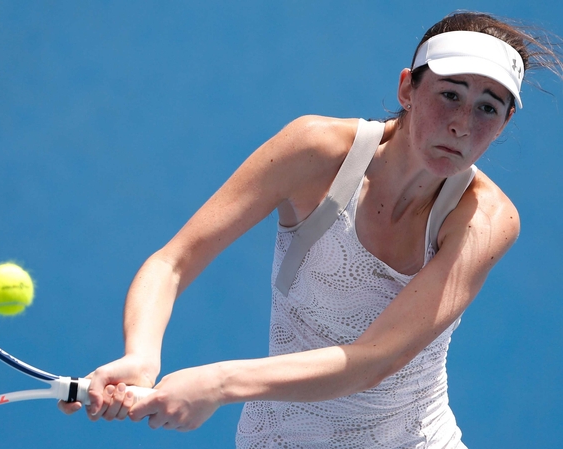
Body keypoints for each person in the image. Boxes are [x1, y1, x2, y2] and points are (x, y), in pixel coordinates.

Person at [59, 11, 563, 448]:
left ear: (504, 123)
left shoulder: (487, 218)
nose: (460, 124)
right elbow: (174, 261)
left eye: (487, 108)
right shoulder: (315, 151)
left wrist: (219, 382)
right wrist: (141, 354)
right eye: (449, 94)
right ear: (407, 88)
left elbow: (374, 359)